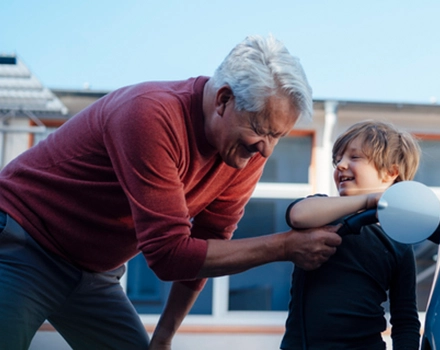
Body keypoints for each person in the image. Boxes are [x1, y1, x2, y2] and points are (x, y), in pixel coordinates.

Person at [0, 34, 342, 350]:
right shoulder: (149, 114)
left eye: (278, 136)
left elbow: (210, 245)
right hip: (23, 243)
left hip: (92, 273)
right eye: (262, 130)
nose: (266, 151)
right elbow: (169, 255)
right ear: (223, 100)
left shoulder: (243, 152)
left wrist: (163, 337)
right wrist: (284, 246)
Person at [280, 120, 422, 350]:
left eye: (354, 158)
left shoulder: (399, 242)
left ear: (390, 173)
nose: (341, 166)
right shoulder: (322, 212)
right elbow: (297, 215)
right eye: (338, 160)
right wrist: (368, 200)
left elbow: (405, 319)